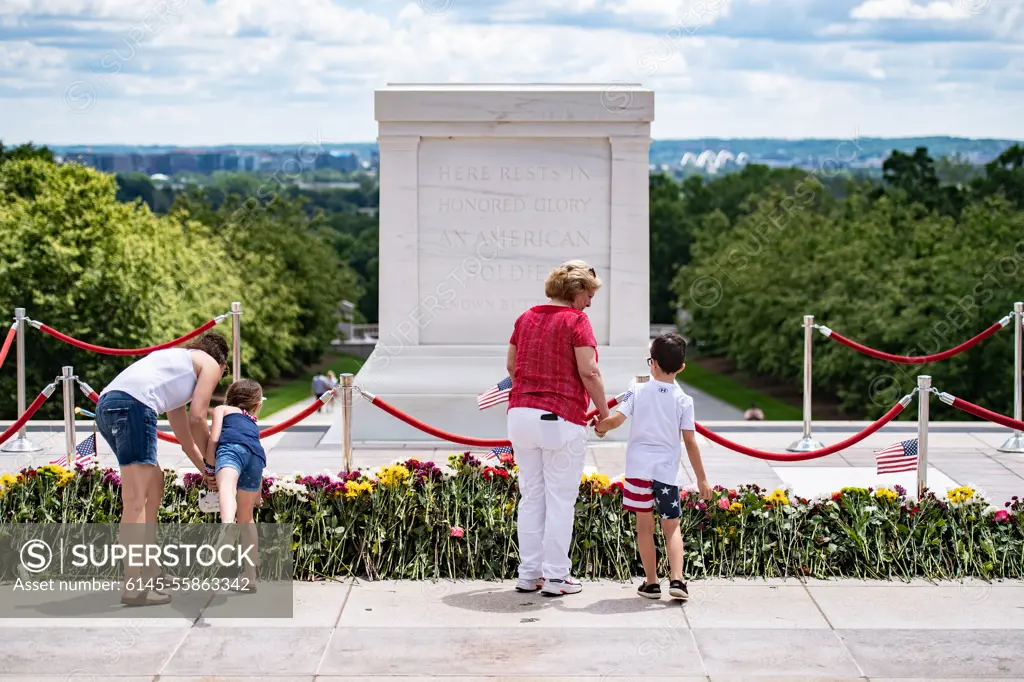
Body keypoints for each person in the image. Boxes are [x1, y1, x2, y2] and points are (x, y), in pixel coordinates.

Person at [95, 332, 228, 606]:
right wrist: (216, 463)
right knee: (135, 501)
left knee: (154, 482)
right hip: (133, 406)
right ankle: (134, 587)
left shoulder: (176, 370)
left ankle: (152, 570)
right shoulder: (211, 365)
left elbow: (185, 440)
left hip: (108, 405)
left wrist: (205, 470)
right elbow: (198, 418)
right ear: (222, 365)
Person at [506, 260, 609, 597]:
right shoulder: (576, 320)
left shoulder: (524, 319)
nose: (590, 302)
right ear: (576, 291)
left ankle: (529, 574)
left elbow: (511, 365)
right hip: (559, 418)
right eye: (589, 295)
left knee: (531, 497)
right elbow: (589, 372)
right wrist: (604, 412)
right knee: (560, 500)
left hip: (520, 414)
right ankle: (556, 577)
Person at [594, 332, 712, 601]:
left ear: (653, 363)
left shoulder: (637, 387)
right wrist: (702, 479)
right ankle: (678, 580)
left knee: (644, 527)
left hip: (638, 472)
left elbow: (616, 420)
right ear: (681, 367)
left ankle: (651, 583)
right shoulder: (684, 400)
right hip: (667, 474)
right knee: (672, 527)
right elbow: (691, 442)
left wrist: (601, 427)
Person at [206, 378, 265, 592]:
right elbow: (255, 449)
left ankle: (227, 525)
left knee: (227, 488)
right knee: (247, 518)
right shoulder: (252, 421)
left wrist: (210, 469)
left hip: (230, 448)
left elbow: (213, 440)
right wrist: (258, 492)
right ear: (256, 404)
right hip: (256, 457)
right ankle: (250, 577)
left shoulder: (222, 409)